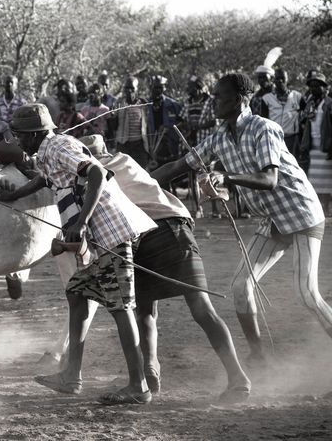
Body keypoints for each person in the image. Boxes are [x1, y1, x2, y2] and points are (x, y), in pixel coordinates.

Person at [40, 134, 251, 402]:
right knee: (197, 308)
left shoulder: (87, 177)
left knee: (146, 310)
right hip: (172, 227)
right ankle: (232, 377)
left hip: (149, 232)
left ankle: (148, 371)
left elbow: (88, 222)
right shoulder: (127, 162)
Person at [152, 73, 331, 366]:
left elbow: (270, 178)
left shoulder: (265, 128)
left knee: (308, 295)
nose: (215, 102)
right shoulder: (219, 137)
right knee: (240, 286)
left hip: (301, 212)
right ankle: (259, 356)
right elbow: (178, 165)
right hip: (273, 219)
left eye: (220, 97)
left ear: (238, 100)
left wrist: (226, 177)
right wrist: (136, 180)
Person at [0, 103, 156, 405]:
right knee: (77, 291)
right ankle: (71, 377)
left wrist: (81, 222)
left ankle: (139, 386)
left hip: (110, 234)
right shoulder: (47, 153)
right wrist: (13, 195)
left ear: (32, 135)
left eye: (17, 135)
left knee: (121, 307)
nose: (16, 141)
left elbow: (96, 172)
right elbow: (45, 179)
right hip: (99, 237)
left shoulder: (58, 146)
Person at [179, 76, 217, 217]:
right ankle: (197, 209)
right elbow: (182, 119)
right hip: (192, 143)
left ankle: (215, 209)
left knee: (208, 174)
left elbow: (214, 121)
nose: (189, 90)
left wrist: (199, 126)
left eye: (191, 87)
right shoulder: (188, 102)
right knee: (192, 175)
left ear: (199, 88)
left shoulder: (209, 101)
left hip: (206, 141)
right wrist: (185, 127)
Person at [299, 70, 332, 215]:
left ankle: (327, 211)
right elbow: (303, 123)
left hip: (327, 147)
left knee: (328, 182)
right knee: (315, 183)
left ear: (325, 88)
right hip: (313, 147)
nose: (314, 88)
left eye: (317, 86)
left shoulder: (330, 103)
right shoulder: (310, 103)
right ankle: (321, 211)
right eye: (311, 86)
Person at [263, 69, 303, 158]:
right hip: (273, 139)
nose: (280, 80)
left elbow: (306, 115)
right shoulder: (266, 98)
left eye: (283, 78)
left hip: (292, 139)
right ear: (273, 80)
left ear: (287, 79)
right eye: (277, 78)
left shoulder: (297, 96)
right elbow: (263, 121)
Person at [113, 76, 150, 168]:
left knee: (141, 172)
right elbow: (113, 126)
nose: (129, 91)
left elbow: (149, 126)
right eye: (127, 88)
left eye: (132, 88)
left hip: (139, 145)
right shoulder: (119, 104)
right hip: (123, 145)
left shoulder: (143, 104)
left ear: (137, 89)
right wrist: (113, 115)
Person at [147, 75, 182, 168]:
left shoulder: (173, 105)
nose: (158, 90)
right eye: (155, 87)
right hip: (151, 148)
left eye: (160, 87)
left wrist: (169, 127)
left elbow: (182, 123)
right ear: (151, 87)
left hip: (170, 147)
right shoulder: (145, 105)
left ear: (165, 88)